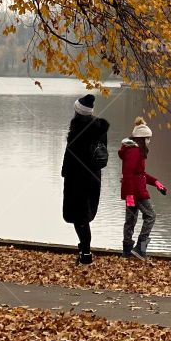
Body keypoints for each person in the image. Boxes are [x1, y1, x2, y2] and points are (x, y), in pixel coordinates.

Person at [61, 93, 109, 265]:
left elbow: (72, 157)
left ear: (77, 111)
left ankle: (86, 255)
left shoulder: (77, 131)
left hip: (78, 179)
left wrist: (66, 172)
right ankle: (84, 251)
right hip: (94, 176)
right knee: (83, 216)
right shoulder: (99, 129)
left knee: (79, 217)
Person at [119, 117, 167, 260]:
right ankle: (140, 248)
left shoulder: (134, 150)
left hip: (133, 191)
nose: (149, 141)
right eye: (148, 138)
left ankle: (127, 252)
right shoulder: (134, 151)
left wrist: (157, 183)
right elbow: (127, 174)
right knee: (151, 216)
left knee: (130, 220)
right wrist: (129, 195)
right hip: (136, 192)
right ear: (142, 139)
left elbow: (140, 174)